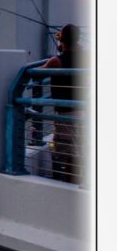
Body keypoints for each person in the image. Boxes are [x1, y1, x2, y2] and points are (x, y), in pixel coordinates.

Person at [42, 24, 82, 183]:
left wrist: (60, 46)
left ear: (62, 39)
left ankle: (70, 182)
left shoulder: (56, 61)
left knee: (65, 148)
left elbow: (36, 74)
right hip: (85, 110)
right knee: (80, 146)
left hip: (66, 113)